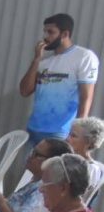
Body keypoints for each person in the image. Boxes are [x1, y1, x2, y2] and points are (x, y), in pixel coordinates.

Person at [19, 13, 99, 148]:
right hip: (34, 129)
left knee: (55, 169)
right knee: (31, 169)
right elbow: (25, 90)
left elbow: (86, 97)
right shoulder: (45, 62)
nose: (46, 37)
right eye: (45, 32)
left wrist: (76, 133)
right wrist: (37, 59)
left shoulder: (84, 57)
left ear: (64, 34)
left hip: (61, 132)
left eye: (51, 32)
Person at [0, 138, 73, 212]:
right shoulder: (36, 180)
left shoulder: (44, 191)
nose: (30, 156)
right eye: (32, 151)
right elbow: (16, 207)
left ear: (52, 162)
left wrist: (0, 203)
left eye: (36, 154)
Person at [66, 117, 104, 201]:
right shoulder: (67, 159)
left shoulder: (91, 169)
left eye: (73, 136)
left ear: (88, 142)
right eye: (69, 134)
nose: (67, 139)